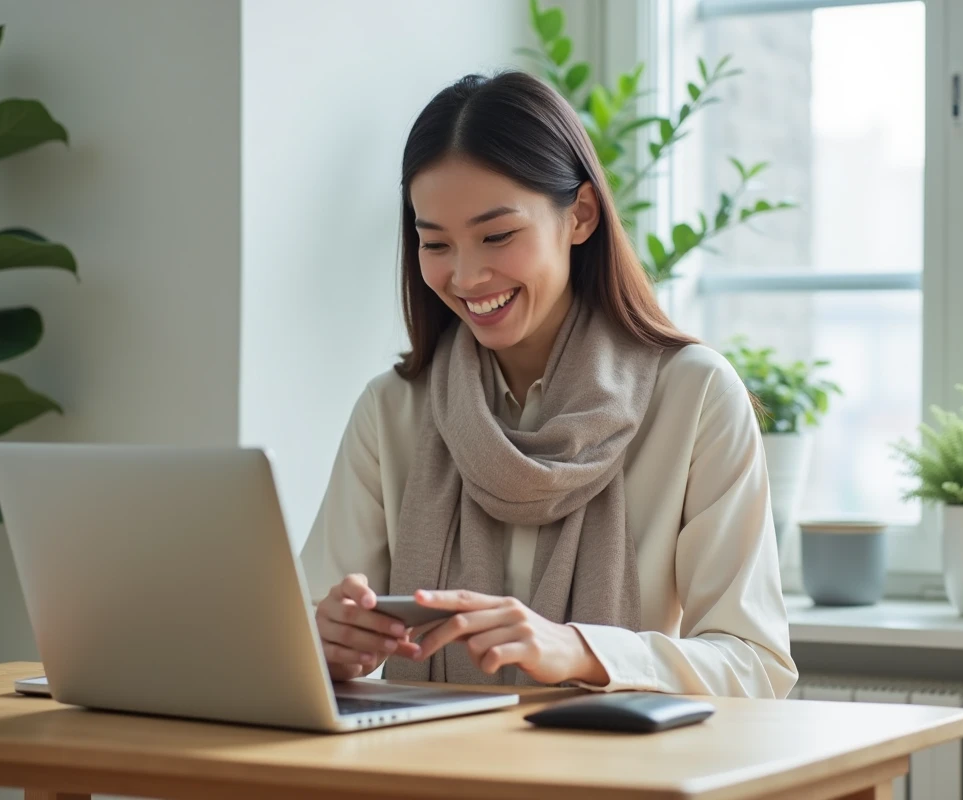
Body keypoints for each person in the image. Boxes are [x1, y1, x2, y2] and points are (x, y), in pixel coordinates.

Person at [303, 71, 796, 696]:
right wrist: (326, 642)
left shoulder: (694, 396)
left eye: (497, 235)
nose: (467, 275)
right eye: (436, 244)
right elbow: (298, 631)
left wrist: (582, 651)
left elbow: (755, 664)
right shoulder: (393, 409)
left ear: (581, 215)